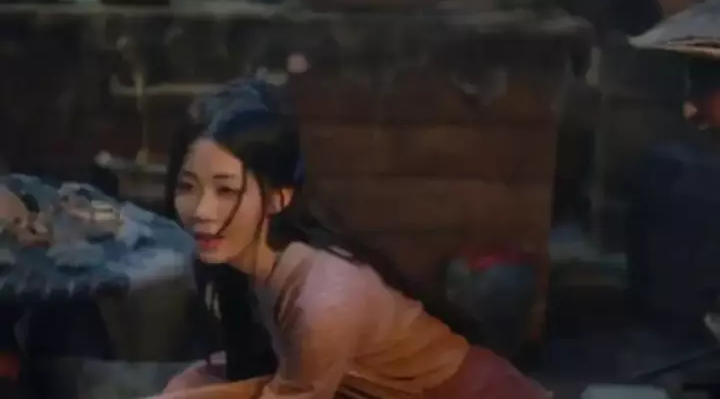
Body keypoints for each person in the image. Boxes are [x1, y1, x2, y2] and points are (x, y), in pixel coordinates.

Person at [154, 78, 548, 399]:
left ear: (279, 197)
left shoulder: (324, 300)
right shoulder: (256, 267)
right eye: (188, 186)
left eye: (226, 190)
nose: (202, 210)